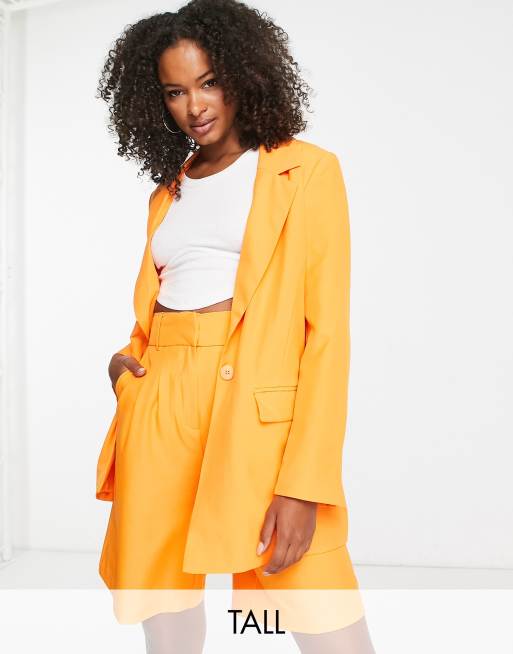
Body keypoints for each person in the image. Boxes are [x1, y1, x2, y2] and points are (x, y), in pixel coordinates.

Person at [95, 1, 376, 652]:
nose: (194, 105)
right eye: (175, 91)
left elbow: (326, 337)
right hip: (161, 405)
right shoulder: (167, 193)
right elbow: (161, 303)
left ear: (244, 73)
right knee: (163, 605)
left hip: (254, 410)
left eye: (209, 81)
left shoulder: (303, 171)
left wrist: (303, 485)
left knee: (319, 612)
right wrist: (125, 364)